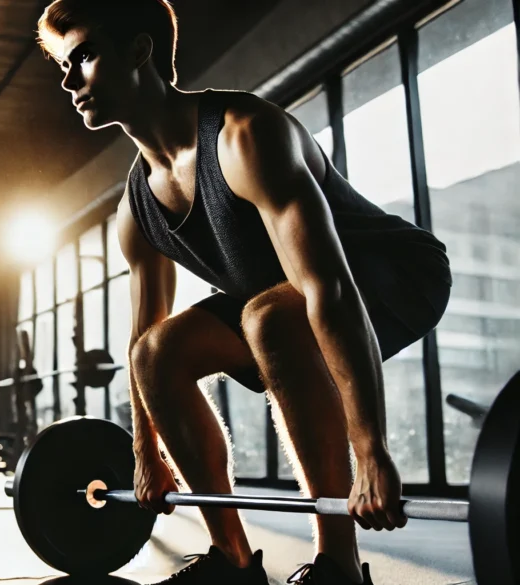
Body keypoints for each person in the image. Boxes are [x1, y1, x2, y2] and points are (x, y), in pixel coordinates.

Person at [35, 1, 452, 584]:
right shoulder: (136, 206)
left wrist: (371, 451)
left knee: (270, 319)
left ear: (138, 50)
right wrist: (143, 454)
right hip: (278, 298)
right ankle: (232, 562)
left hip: (394, 273)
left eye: (83, 54)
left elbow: (326, 290)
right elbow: (141, 336)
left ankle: (339, 567)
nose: (68, 78)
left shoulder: (244, 136)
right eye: (62, 62)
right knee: (155, 353)